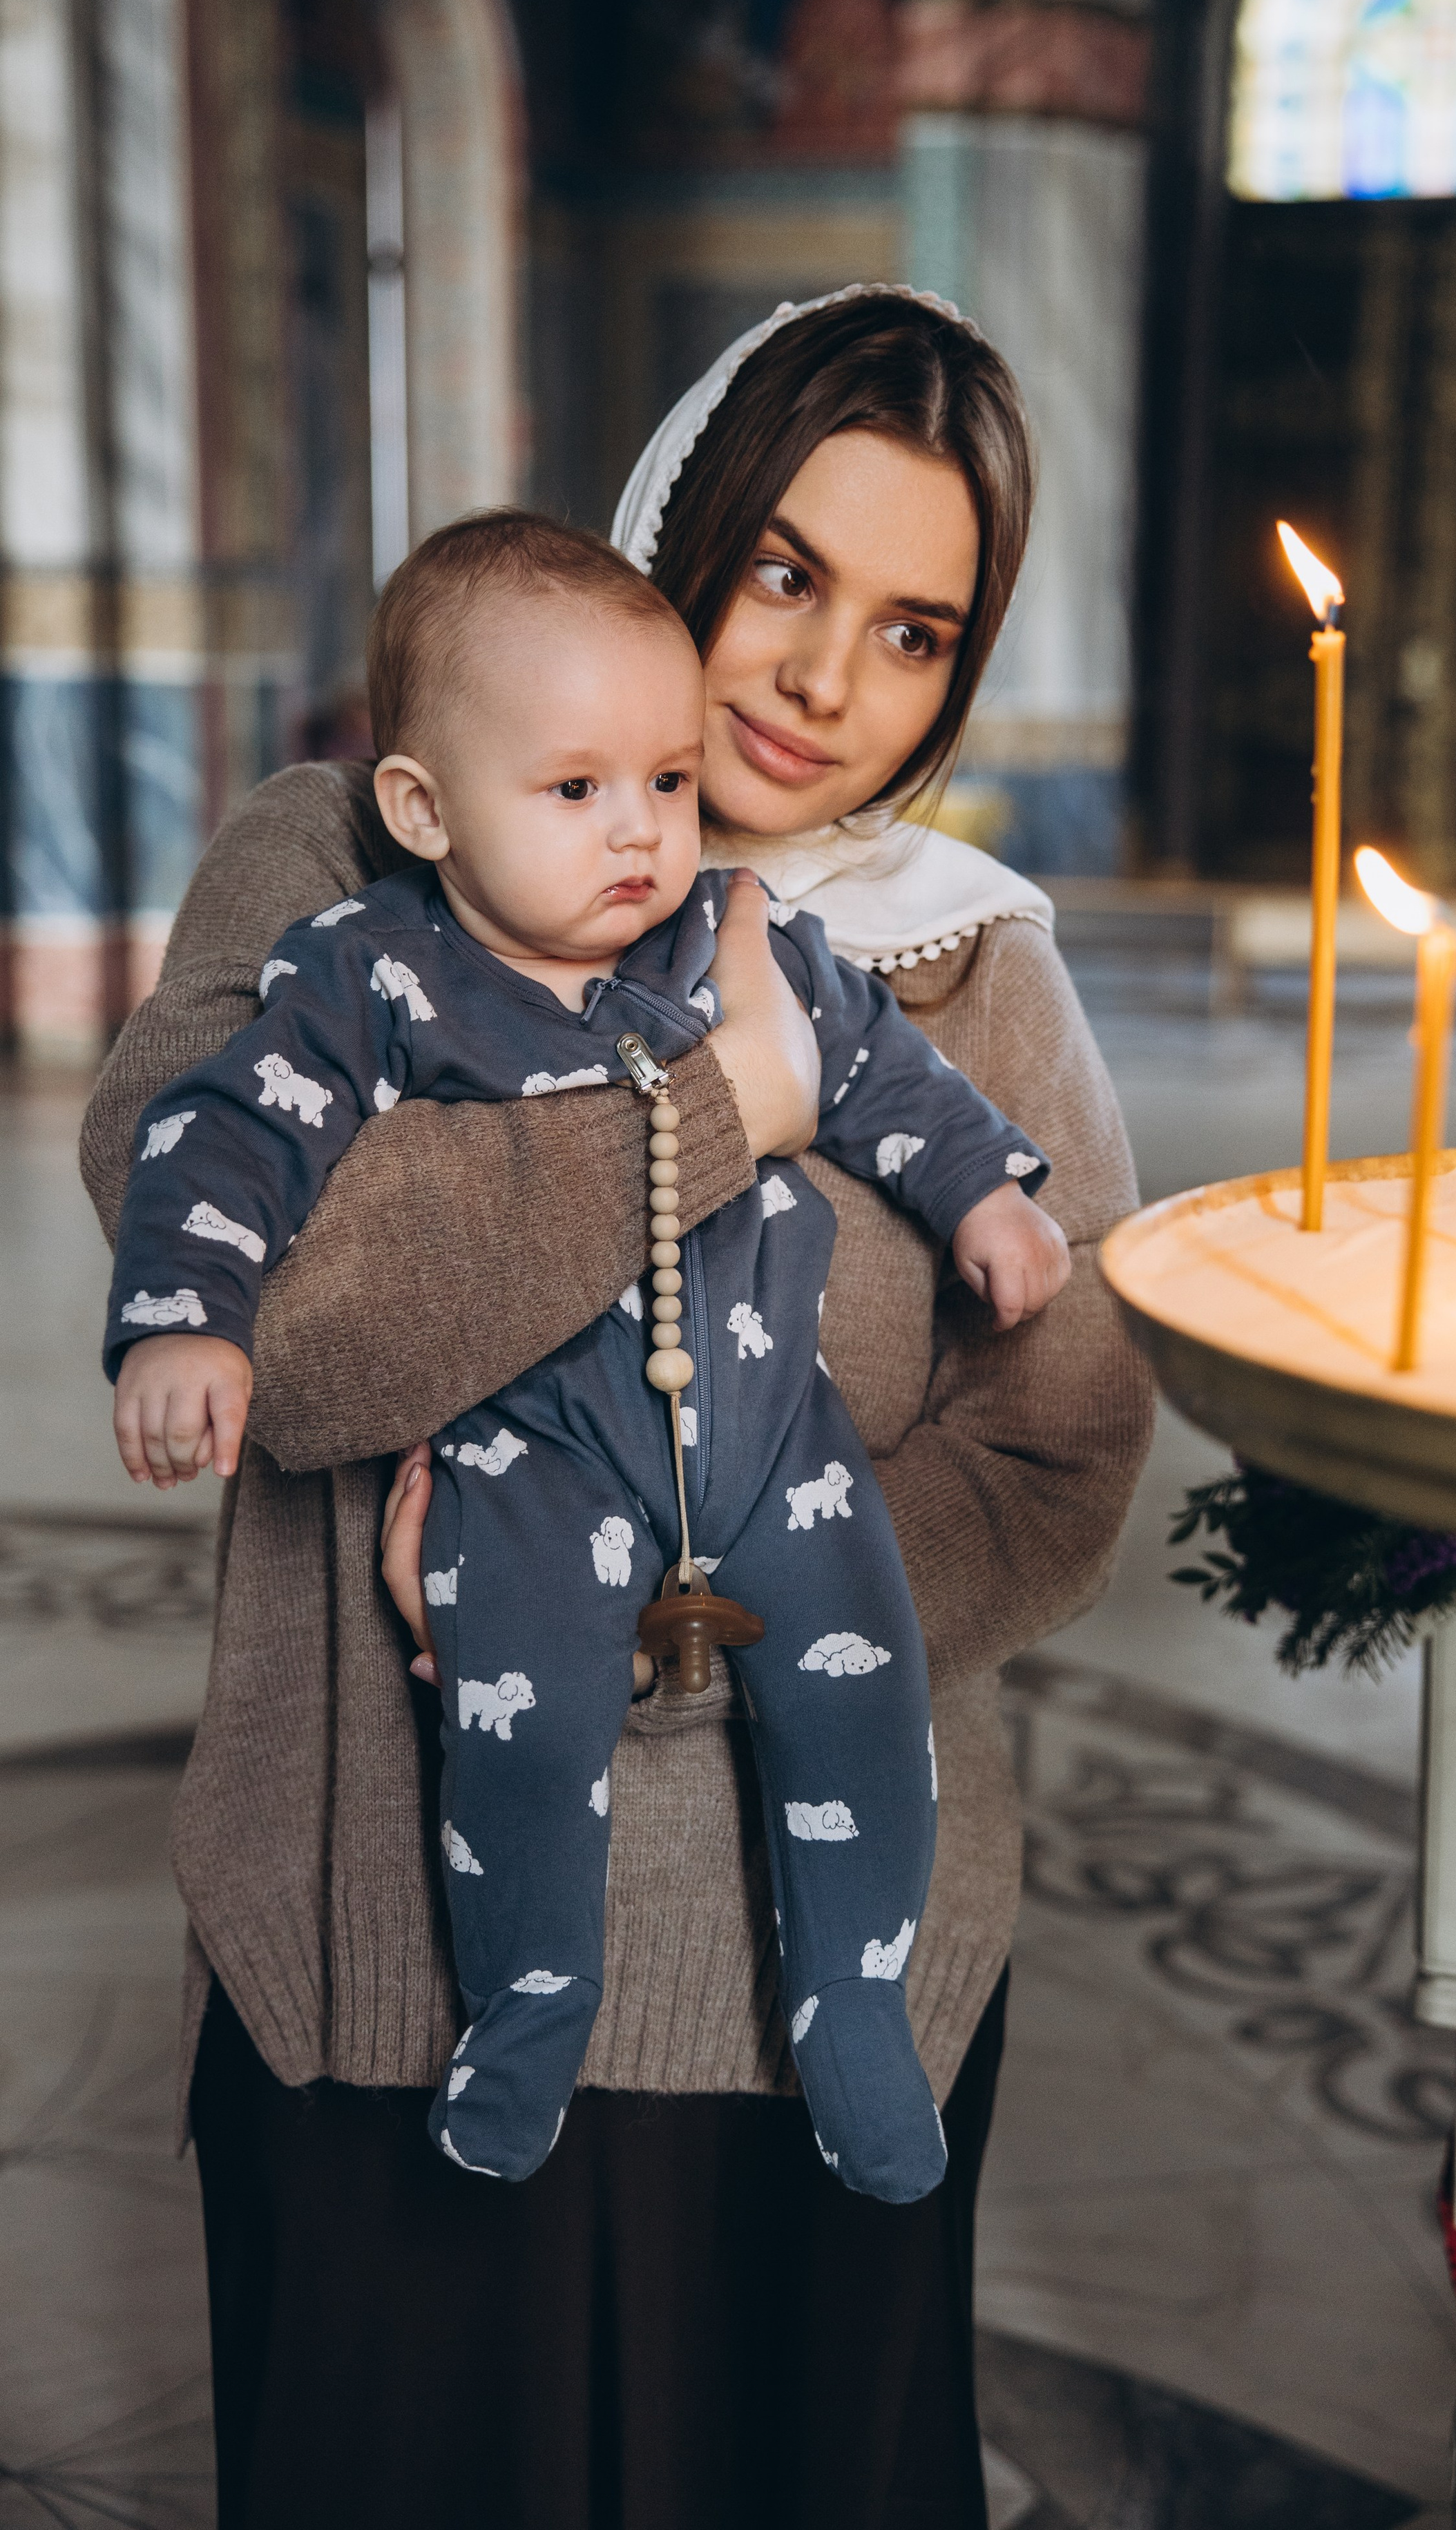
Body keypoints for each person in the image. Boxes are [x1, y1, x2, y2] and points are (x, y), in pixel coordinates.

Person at [80, 283, 1153, 2528]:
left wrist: (707, 1614)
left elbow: (1057, 1442)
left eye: (914, 629)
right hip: (396, 1968)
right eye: (783, 570)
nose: (819, 679)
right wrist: (725, 1105)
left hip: (818, 1966)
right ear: (683, 514)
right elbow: (288, 1322)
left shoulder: (974, 960)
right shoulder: (341, 867)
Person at [106, 510, 1065, 2196]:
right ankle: (530, 2002)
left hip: (780, 1440)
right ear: (422, 808)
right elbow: (223, 1141)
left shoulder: (735, 938)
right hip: (527, 1461)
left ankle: (855, 2010)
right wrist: (191, 1319)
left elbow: (893, 1088)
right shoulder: (375, 972)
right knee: (522, 1736)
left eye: (666, 785)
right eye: (575, 794)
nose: (639, 836)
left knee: (866, 1710)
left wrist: (986, 1193)